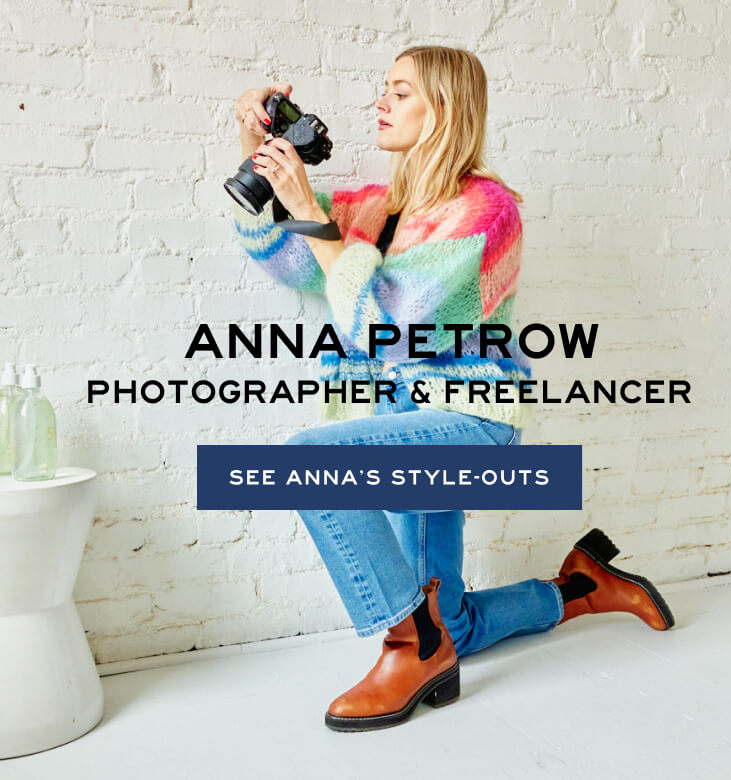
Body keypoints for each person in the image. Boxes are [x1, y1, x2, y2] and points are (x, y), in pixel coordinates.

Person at [232, 45, 675, 733]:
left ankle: (410, 648)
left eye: (401, 92)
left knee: (305, 463)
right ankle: (581, 587)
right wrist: (257, 156)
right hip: (402, 417)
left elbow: (400, 326)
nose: (381, 102)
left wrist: (314, 220)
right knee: (454, 621)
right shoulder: (377, 208)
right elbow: (289, 259)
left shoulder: (485, 212)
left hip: (468, 422)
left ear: (445, 110)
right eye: (384, 88)